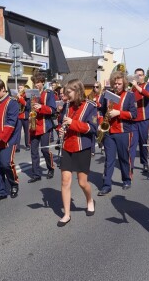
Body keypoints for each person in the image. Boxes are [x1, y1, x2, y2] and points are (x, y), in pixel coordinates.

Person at [57, 79, 98, 226]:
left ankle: (89, 200)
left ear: (78, 91)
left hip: (82, 147)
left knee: (82, 182)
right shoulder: (66, 106)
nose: (66, 96)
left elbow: (93, 128)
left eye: (69, 92)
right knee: (65, 180)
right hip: (67, 146)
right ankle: (66, 214)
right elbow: (61, 122)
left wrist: (72, 123)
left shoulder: (91, 106)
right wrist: (60, 129)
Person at [98, 71, 137, 195]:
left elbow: (134, 114)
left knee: (123, 158)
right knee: (109, 159)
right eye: (115, 83)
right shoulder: (107, 95)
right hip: (109, 132)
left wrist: (119, 113)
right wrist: (100, 123)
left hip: (123, 132)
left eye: (119, 83)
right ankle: (106, 184)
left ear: (124, 83)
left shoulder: (130, 96)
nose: (117, 86)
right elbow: (100, 111)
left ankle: (126, 179)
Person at [28, 72, 56, 183]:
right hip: (34, 126)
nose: (36, 85)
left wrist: (41, 107)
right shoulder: (31, 94)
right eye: (35, 82)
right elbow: (27, 108)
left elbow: (52, 110)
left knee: (45, 150)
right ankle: (36, 174)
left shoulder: (48, 93)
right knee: (34, 152)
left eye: (38, 83)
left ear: (43, 83)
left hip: (45, 126)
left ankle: (50, 168)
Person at [129, 68, 149, 172]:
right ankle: (130, 165)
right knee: (132, 143)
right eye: (136, 75)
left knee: (143, 142)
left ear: (144, 76)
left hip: (144, 119)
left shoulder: (148, 85)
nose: (138, 77)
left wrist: (136, 86)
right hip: (133, 120)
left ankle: (144, 162)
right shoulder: (132, 88)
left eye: (140, 75)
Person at [87, 82, 102, 156]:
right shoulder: (90, 95)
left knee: (99, 133)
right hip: (93, 117)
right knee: (93, 132)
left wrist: (97, 103)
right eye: (94, 87)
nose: (95, 88)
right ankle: (92, 150)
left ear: (99, 87)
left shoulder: (102, 96)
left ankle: (100, 141)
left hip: (100, 116)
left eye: (97, 87)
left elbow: (104, 106)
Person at [16, 84, 31, 152]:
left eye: (21, 88)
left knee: (26, 132)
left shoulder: (27, 96)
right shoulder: (18, 96)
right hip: (19, 116)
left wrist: (20, 98)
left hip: (25, 115)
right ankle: (17, 147)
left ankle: (28, 145)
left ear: (24, 88)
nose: (19, 89)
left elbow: (27, 105)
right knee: (17, 132)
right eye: (19, 88)